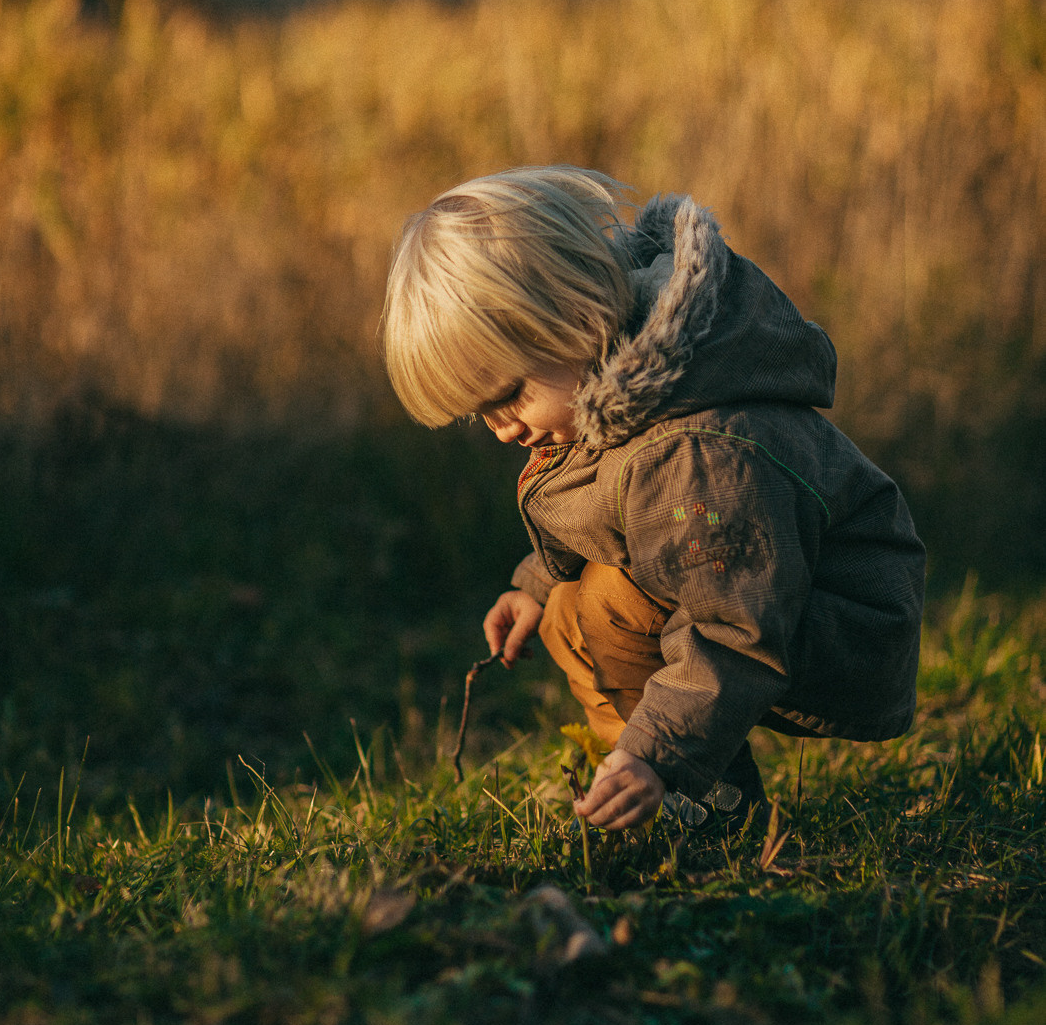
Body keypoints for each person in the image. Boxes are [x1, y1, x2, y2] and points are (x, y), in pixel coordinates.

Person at [383, 167, 925, 833]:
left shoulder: (694, 454)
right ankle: (648, 785)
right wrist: (536, 582)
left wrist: (657, 755)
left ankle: (691, 795)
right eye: (478, 415)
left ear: (575, 319)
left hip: (837, 621)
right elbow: (595, 506)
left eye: (505, 398)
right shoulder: (606, 390)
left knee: (606, 607)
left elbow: (736, 626)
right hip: (754, 599)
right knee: (567, 609)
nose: (501, 431)